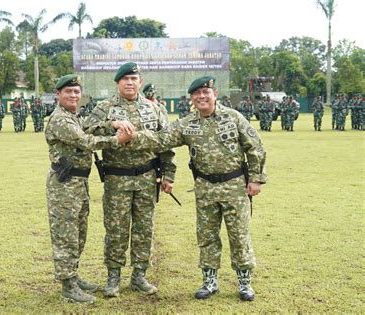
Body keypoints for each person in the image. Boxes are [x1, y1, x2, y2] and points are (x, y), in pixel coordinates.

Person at [134, 76, 267, 301]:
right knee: (206, 236)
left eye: (206, 92)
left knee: (239, 235)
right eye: (197, 94)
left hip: (234, 186)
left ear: (214, 94)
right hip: (204, 188)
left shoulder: (233, 117)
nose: (202, 97)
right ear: (192, 99)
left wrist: (256, 179)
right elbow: (161, 140)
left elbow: (255, 147)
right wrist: (132, 137)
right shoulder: (187, 123)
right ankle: (209, 281)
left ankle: (245, 283)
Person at [83, 62, 176, 298]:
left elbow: (166, 142)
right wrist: (111, 124)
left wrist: (168, 175)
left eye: (133, 78)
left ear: (140, 82)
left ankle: (139, 275)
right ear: (117, 83)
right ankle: (113, 276)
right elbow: (87, 129)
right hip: (116, 178)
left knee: (144, 228)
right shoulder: (105, 107)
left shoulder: (155, 109)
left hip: (147, 178)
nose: (129, 82)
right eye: (124, 79)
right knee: (115, 229)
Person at [45, 74, 136, 304]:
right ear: (58, 95)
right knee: (66, 234)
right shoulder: (60, 120)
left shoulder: (73, 116)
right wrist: (117, 140)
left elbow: (91, 129)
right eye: (68, 92)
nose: (73, 95)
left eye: (77, 92)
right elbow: (86, 141)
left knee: (78, 232)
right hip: (65, 185)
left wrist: (112, 124)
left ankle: (73, 276)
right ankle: (68, 286)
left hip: (78, 183)